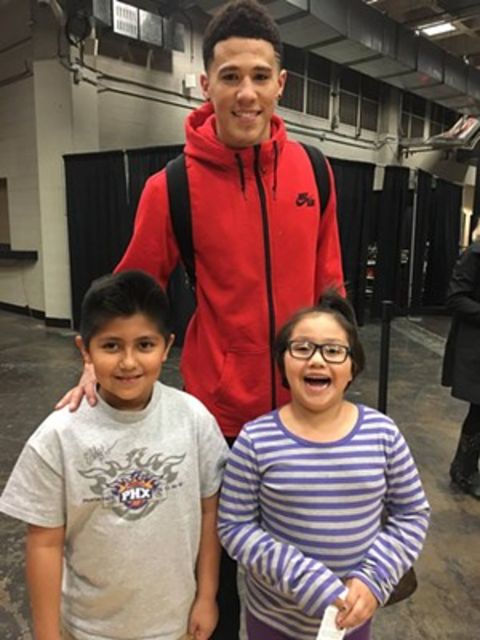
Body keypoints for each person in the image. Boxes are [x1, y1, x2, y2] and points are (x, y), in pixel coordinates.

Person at [56, 2, 344, 637]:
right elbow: (130, 291)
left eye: (260, 76)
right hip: (221, 421)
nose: (246, 93)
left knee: (298, 576)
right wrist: (91, 367)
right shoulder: (172, 188)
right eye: (231, 76)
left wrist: (338, 396)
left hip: (305, 418)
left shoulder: (316, 173)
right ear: (206, 83)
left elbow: (331, 293)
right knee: (215, 582)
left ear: (281, 84)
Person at [0, 270, 228, 640]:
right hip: (89, 629)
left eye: (144, 345)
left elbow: (209, 510)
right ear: (85, 351)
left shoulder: (194, 419)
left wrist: (206, 596)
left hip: (176, 624)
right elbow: (43, 542)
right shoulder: (58, 437)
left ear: (167, 347)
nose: (128, 362)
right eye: (111, 346)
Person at [218, 291, 430, 640]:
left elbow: (412, 514)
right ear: (282, 363)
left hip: (352, 617)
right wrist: (306, 579)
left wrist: (373, 579)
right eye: (302, 348)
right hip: (274, 619)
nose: (317, 361)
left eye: (333, 350)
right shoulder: (255, 440)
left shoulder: (382, 434)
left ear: (353, 367)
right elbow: (234, 526)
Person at [441, 219, 480, 499]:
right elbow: (455, 299)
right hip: (475, 348)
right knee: (478, 412)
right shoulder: (474, 255)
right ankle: (464, 471)